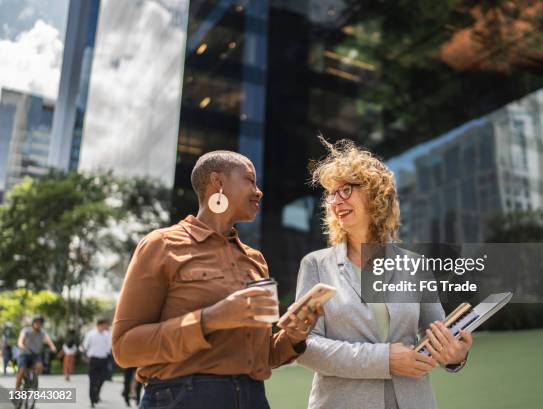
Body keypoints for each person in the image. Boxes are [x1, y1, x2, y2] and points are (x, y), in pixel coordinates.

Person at [112, 150, 323, 409]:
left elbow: (262, 356)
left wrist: (293, 336)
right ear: (218, 182)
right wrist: (211, 318)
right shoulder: (162, 245)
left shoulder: (255, 260)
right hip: (182, 398)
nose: (259, 191)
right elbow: (125, 348)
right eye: (250, 180)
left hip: (253, 398)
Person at [295, 138, 473, 409]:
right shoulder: (316, 265)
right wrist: (385, 359)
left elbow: (436, 335)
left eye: (345, 190)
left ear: (374, 194)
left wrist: (455, 355)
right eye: (331, 193)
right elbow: (305, 347)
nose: (335, 201)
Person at [15, 316, 57, 389]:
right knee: (21, 372)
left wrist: (52, 347)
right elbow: (20, 340)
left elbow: (49, 340)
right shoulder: (26, 330)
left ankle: (32, 378)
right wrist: (21, 345)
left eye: (40, 323)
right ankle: (17, 390)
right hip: (24, 354)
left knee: (40, 367)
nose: (38, 324)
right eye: (37, 322)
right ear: (33, 323)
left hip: (36, 355)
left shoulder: (43, 333)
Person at [82, 319, 112, 408]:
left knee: (103, 378)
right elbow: (84, 346)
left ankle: (96, 394)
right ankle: (92, 400)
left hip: (104, 360)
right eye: (106, 325)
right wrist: (85, 357)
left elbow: (110, 345)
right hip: (93, 360)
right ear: (100, 325)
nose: (107, 327)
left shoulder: (107, 334)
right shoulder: (91, 334)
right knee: (92, 381)